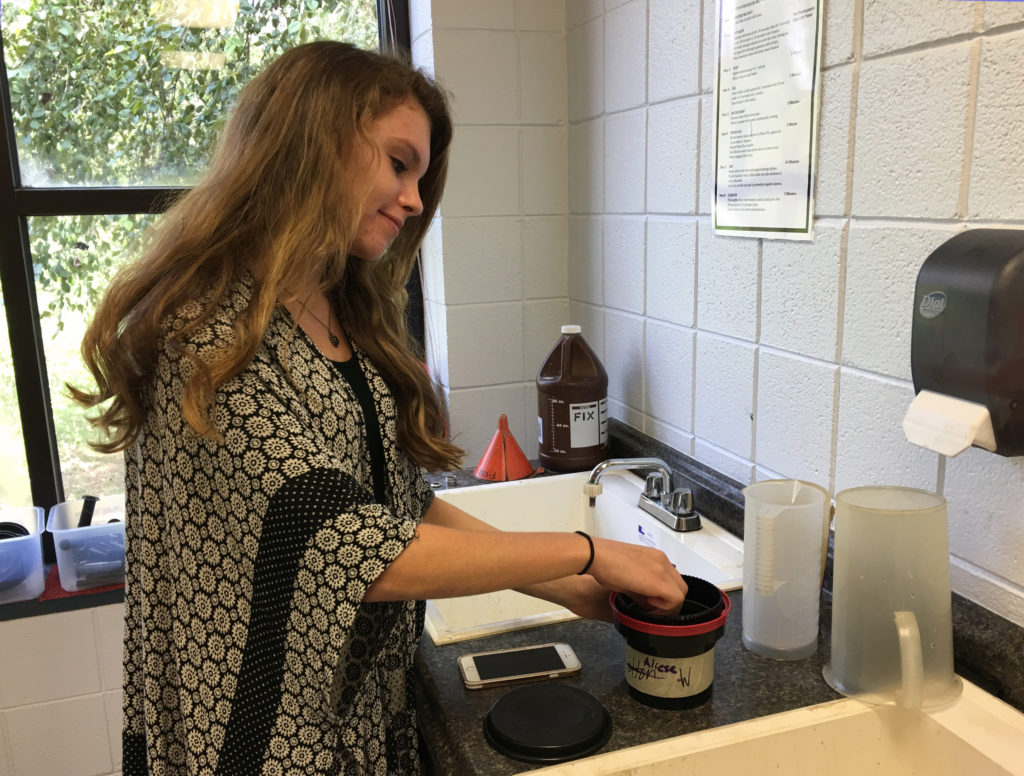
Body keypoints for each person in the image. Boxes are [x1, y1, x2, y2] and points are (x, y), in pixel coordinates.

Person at [74, 41, 687, 775]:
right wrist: (586, 549)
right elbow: (349, 548)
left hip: (349, 720)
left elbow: (398, 508)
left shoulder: (338, 315)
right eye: (398, 164)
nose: (415, 200)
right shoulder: (207, 335)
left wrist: (574, 592)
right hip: (253, 734)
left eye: (421, 176)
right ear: (312, 143)